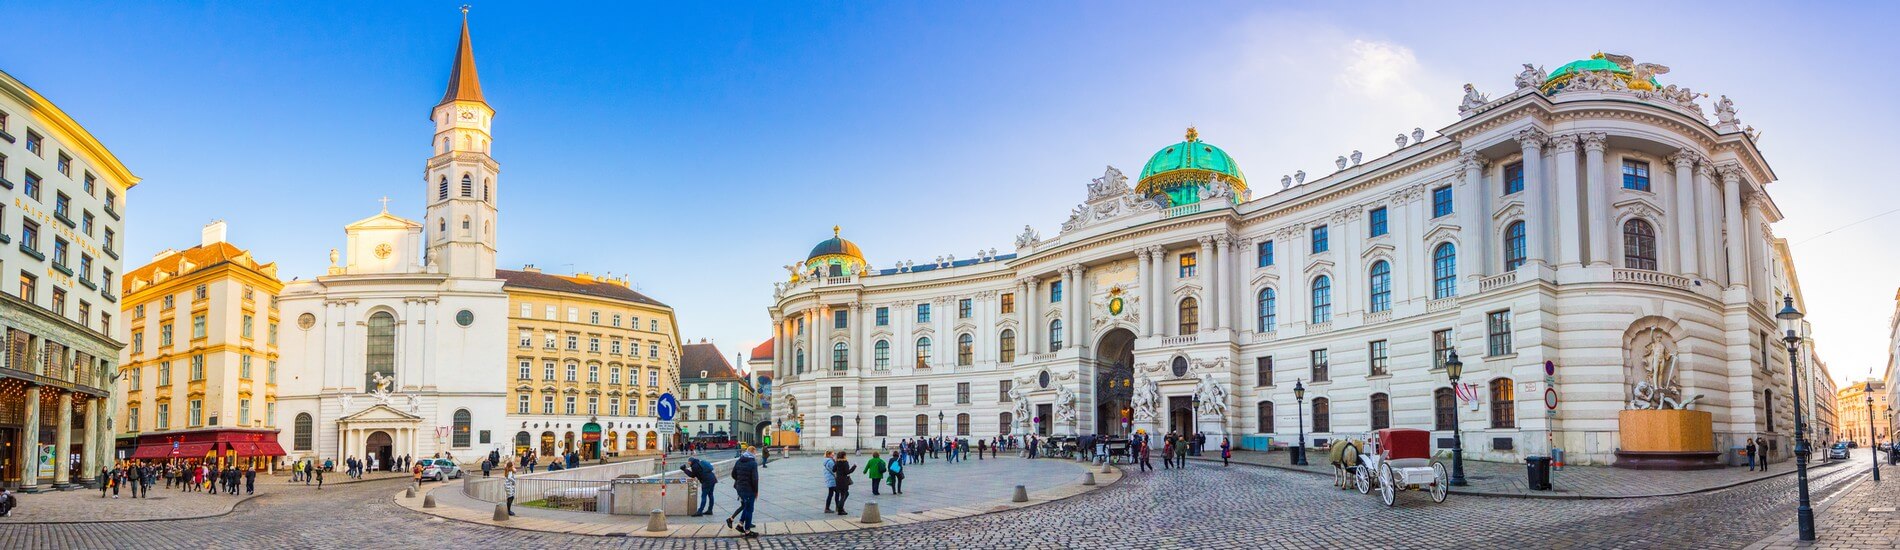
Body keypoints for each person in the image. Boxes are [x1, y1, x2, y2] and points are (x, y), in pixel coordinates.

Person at [728, 446, 760, 537]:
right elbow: (755, 479)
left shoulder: (739, 461)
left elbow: (733, 474)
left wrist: (740, 480)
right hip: (749, 489)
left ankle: (740, 525)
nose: (756, 453)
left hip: (740, 488)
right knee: (750, 509)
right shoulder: (753, 463)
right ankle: (747, 531)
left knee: (746, 506)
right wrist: (756, 491)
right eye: (755, 452)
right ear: (753, 452)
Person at [831, 451, 855, 516]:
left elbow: (833, 470)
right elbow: (847, 472)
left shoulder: (837, 462)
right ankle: (840, 509)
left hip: (838, 480)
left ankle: (840, 507)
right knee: (843, 495)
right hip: (844, 480)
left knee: (845, 494)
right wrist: (854, 467)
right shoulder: (845, 462)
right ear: (844, 456)